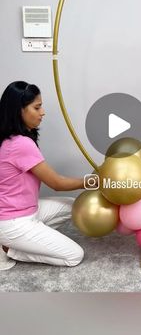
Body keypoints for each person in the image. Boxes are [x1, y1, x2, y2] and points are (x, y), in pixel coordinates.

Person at [0, 81, 97, 267]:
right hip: (13, 223)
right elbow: (57, 183)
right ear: (18, 110)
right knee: (74, 255)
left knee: (76, 206)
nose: (42, 112)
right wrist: (94, 182)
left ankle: (29, 240)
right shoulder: (20, 144)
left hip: (27, 212)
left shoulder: (10, 139)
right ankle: (11, 249)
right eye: (37, 107)